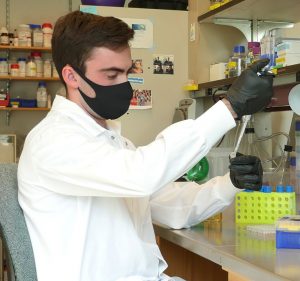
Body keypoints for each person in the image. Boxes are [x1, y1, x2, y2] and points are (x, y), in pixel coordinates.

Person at [17, 10, 273, 281]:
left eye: (126, 72)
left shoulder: (114, 142)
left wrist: (230, 184)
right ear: (71, 76)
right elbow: (140, 175)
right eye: (111, 75)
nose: (123, 85)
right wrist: (229, 108)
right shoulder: (54, 141)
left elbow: (169, 207)